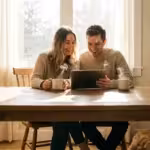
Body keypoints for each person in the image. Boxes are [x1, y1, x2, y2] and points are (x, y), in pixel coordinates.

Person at [31, 26, 89, 150]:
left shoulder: (73, 61)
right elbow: (34, 80)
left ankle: (83, 147)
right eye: (67, 42)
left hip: (63, 107)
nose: (71, 46)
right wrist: (42, 83)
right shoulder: (44, 57)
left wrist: (68, 83)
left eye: (73, 43)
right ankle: (83, 146)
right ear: (58, 43)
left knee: (63, 118)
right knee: (65, 118)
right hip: (43, 107)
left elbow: (75, 80)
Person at [80, 25, 134, 150]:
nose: (93, 48)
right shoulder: (82, 58)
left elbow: (129, 80)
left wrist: (112, 84)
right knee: (84, 124)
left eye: (97, 44)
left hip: (114, 106)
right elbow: (74, 80)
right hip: (91, 107)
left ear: (104, 42)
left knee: (122, 124)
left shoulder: (115, 55)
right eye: (90, 44)